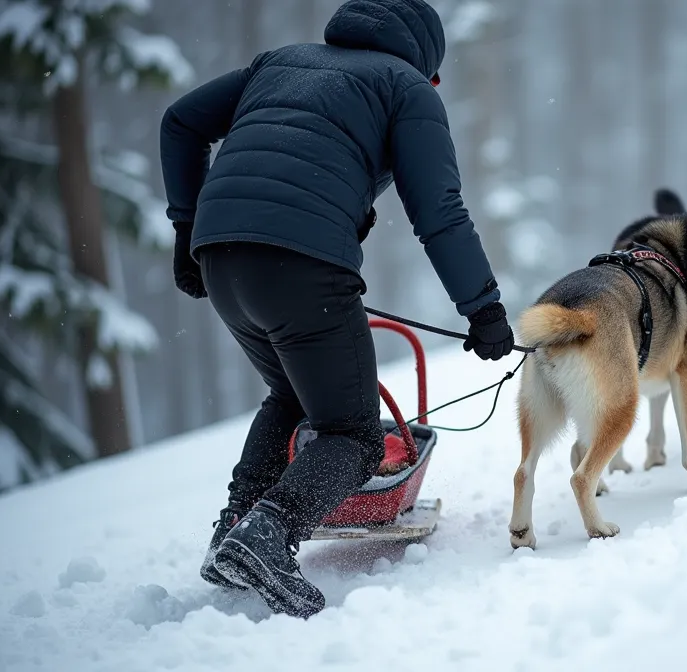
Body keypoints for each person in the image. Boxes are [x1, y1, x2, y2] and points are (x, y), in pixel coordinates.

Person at [158, 0, 514, 618]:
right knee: (353, 434)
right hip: (302, 265)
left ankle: (235, 526)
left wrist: (189, 230)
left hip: (221, 257)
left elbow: (180, 122)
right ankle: (268, 536)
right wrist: (483, 308)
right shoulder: (407, 87)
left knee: (293, 399)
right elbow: (440, 212)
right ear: (427, 62)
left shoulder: (281, 64)